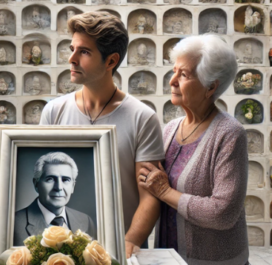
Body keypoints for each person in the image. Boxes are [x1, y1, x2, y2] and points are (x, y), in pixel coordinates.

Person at [39, 11, 165, 257]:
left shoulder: (142, 117)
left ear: (111, 61)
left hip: (117, 249)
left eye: (84, 52)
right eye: (72, 48)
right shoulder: (54, 111)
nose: (72, 59)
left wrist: (128, 243)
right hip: (60, 250)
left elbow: (150, 196)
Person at [138, 35, 249, 264]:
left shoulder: (230, 134)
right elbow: (153, 182)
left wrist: (164, 191)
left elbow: (223, 212)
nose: (172, 81)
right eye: (174, 71)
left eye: (184, 75)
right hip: (169, 257)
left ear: (210, 86)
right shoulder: (169, 130)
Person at [14, 152, 96, 246]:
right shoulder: (14, 223)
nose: (59, 187)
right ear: (36, 184)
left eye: (65, 180)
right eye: (50, 179)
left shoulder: (86, 221)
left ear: (73, 186)